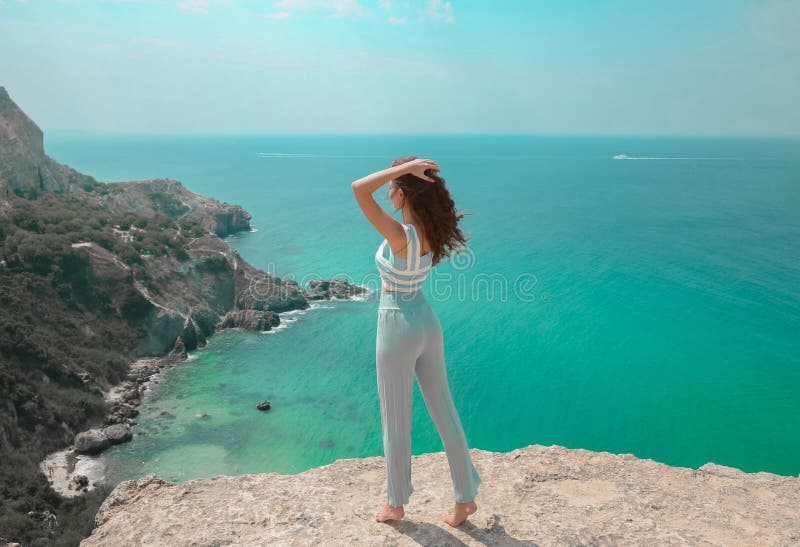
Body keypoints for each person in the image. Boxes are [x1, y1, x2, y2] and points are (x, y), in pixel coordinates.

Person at [351, 156, 482, 527]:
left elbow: (359, 189)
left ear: (403, 190)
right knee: (445, 411)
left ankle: (396, 504)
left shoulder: (399, 234)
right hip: (427, 320)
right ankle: (465, 498)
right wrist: (406, 174)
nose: (388, 190)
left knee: (396, 417)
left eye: (394, 185)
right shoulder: (429, 230)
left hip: (397, 324)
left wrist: (399, 171)